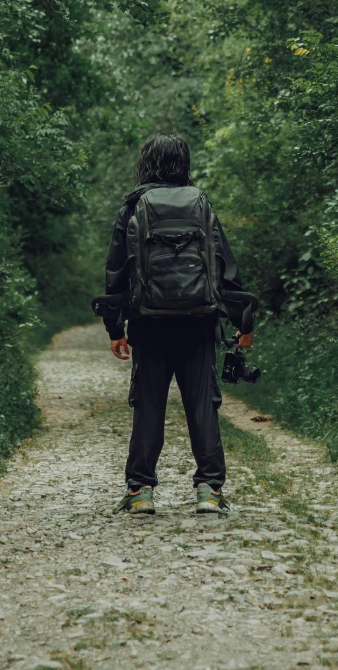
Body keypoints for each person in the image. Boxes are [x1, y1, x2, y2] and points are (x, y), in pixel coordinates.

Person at [103, 133, 253, 515]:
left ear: (147, 162)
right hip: (199, 322)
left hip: (147, 324)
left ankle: (140, 491)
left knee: (148, 405)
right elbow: (223, 266)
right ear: (183, 162)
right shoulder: (201, 203)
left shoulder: (134, 206)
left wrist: (114, 328)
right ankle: (208, 491)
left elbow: (117, 271)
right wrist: (244, 321)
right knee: (203, 405)